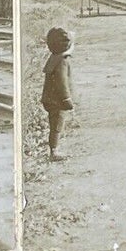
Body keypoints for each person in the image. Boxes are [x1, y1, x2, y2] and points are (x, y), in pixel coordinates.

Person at [41, 26, 74, 161]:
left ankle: (53, 149)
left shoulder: (53, 58)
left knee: (54, 124)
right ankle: (54, 152)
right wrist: (66, 99)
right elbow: (62, 82)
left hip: (49, 98)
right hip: (57, 100)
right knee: (57, 126)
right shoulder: (62, 61)